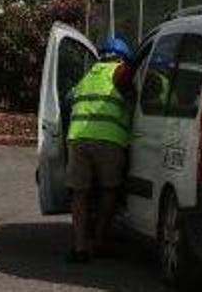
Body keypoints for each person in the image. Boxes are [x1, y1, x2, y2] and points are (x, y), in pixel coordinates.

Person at [65, 35, 134, 264]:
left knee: (79, 193)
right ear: (123, 57)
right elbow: (136, 98)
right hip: (109, 141)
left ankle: (79, 247)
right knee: (109, 190)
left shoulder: (87, 76)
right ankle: (100, 241)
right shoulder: (122, 72)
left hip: (77, 139)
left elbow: (68, 100)